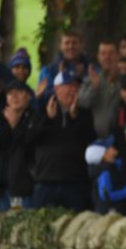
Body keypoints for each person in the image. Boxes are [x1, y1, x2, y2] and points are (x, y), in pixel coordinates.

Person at [29, 71, 97, 212]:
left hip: (76, 182)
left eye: (76, 86)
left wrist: (74, 118)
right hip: (46, 181)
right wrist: (48, 118)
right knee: (41, 229)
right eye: (68, 85)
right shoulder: (41, 111)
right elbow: (29, 138)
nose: (73, 89)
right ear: (57, 89)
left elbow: (90, 139)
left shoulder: (84, 113)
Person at [0, 80, 37, 211]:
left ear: (28, 95)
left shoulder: (35, 117)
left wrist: (15, 126)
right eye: (10, 93)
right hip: (2, 188)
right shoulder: (0, 119)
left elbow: (28, 145)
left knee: (22, 225)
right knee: (6, 228)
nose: (15, 97)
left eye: (19, 92)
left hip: (22, 189)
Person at [79, 40, 121, 138]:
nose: (107, 57)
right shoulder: (90, 80)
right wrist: (94, 87)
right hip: (94, 139)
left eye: (111, 53)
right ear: (98, 57)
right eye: (103, 53)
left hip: (120, 140)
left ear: (118, 55)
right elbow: (83, 104)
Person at [36, 31, 90, 102]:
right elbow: (43, 96)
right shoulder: (48, 70)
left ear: (81, 45)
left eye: (74, 43)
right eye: (67, 43)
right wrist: (60, 79)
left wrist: (82, 77)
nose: (71, 46)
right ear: (60, 46)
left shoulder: (92, 70)